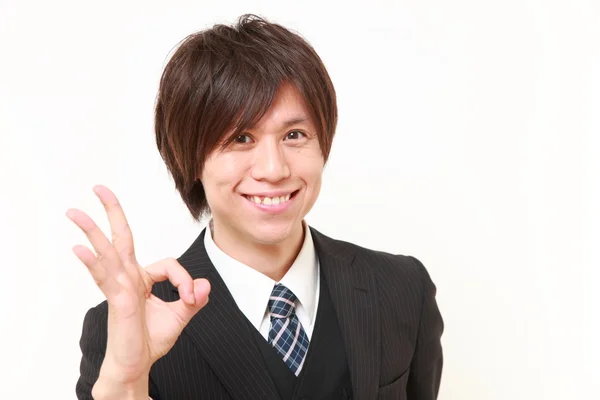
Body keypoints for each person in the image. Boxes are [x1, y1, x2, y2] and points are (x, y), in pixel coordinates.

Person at [68, 14, 444, 400]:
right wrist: (127, 379)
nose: (274, 169)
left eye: (294, 135)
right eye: (241, 138)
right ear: (191, 159)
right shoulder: (128, 324)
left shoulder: (401, 289)